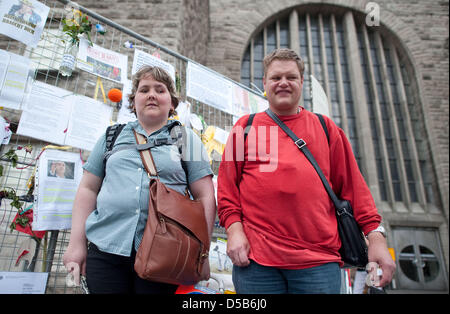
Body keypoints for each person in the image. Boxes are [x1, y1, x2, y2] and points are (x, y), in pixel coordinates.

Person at [217, 48, 395, 294]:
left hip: (318, 263)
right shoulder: (244, 127)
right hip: (257, 262)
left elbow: (355, 190)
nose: (283, 83)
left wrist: (376, 239)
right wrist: (234, 230)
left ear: (301, 82)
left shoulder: (326, 128)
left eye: (291, 77)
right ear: (265, 84)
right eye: (276, 77)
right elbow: (227, 190)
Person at [63, 66, 216, 294]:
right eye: (144, 90)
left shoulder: (185, 139)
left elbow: (205, 195)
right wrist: (76, 245)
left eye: (160, 89)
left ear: (172, 103)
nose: (152, 94)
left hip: (165, 251)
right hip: (106, 248)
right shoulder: (111, 136)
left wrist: (201, 253)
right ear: (134, 102)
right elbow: (88, 189)